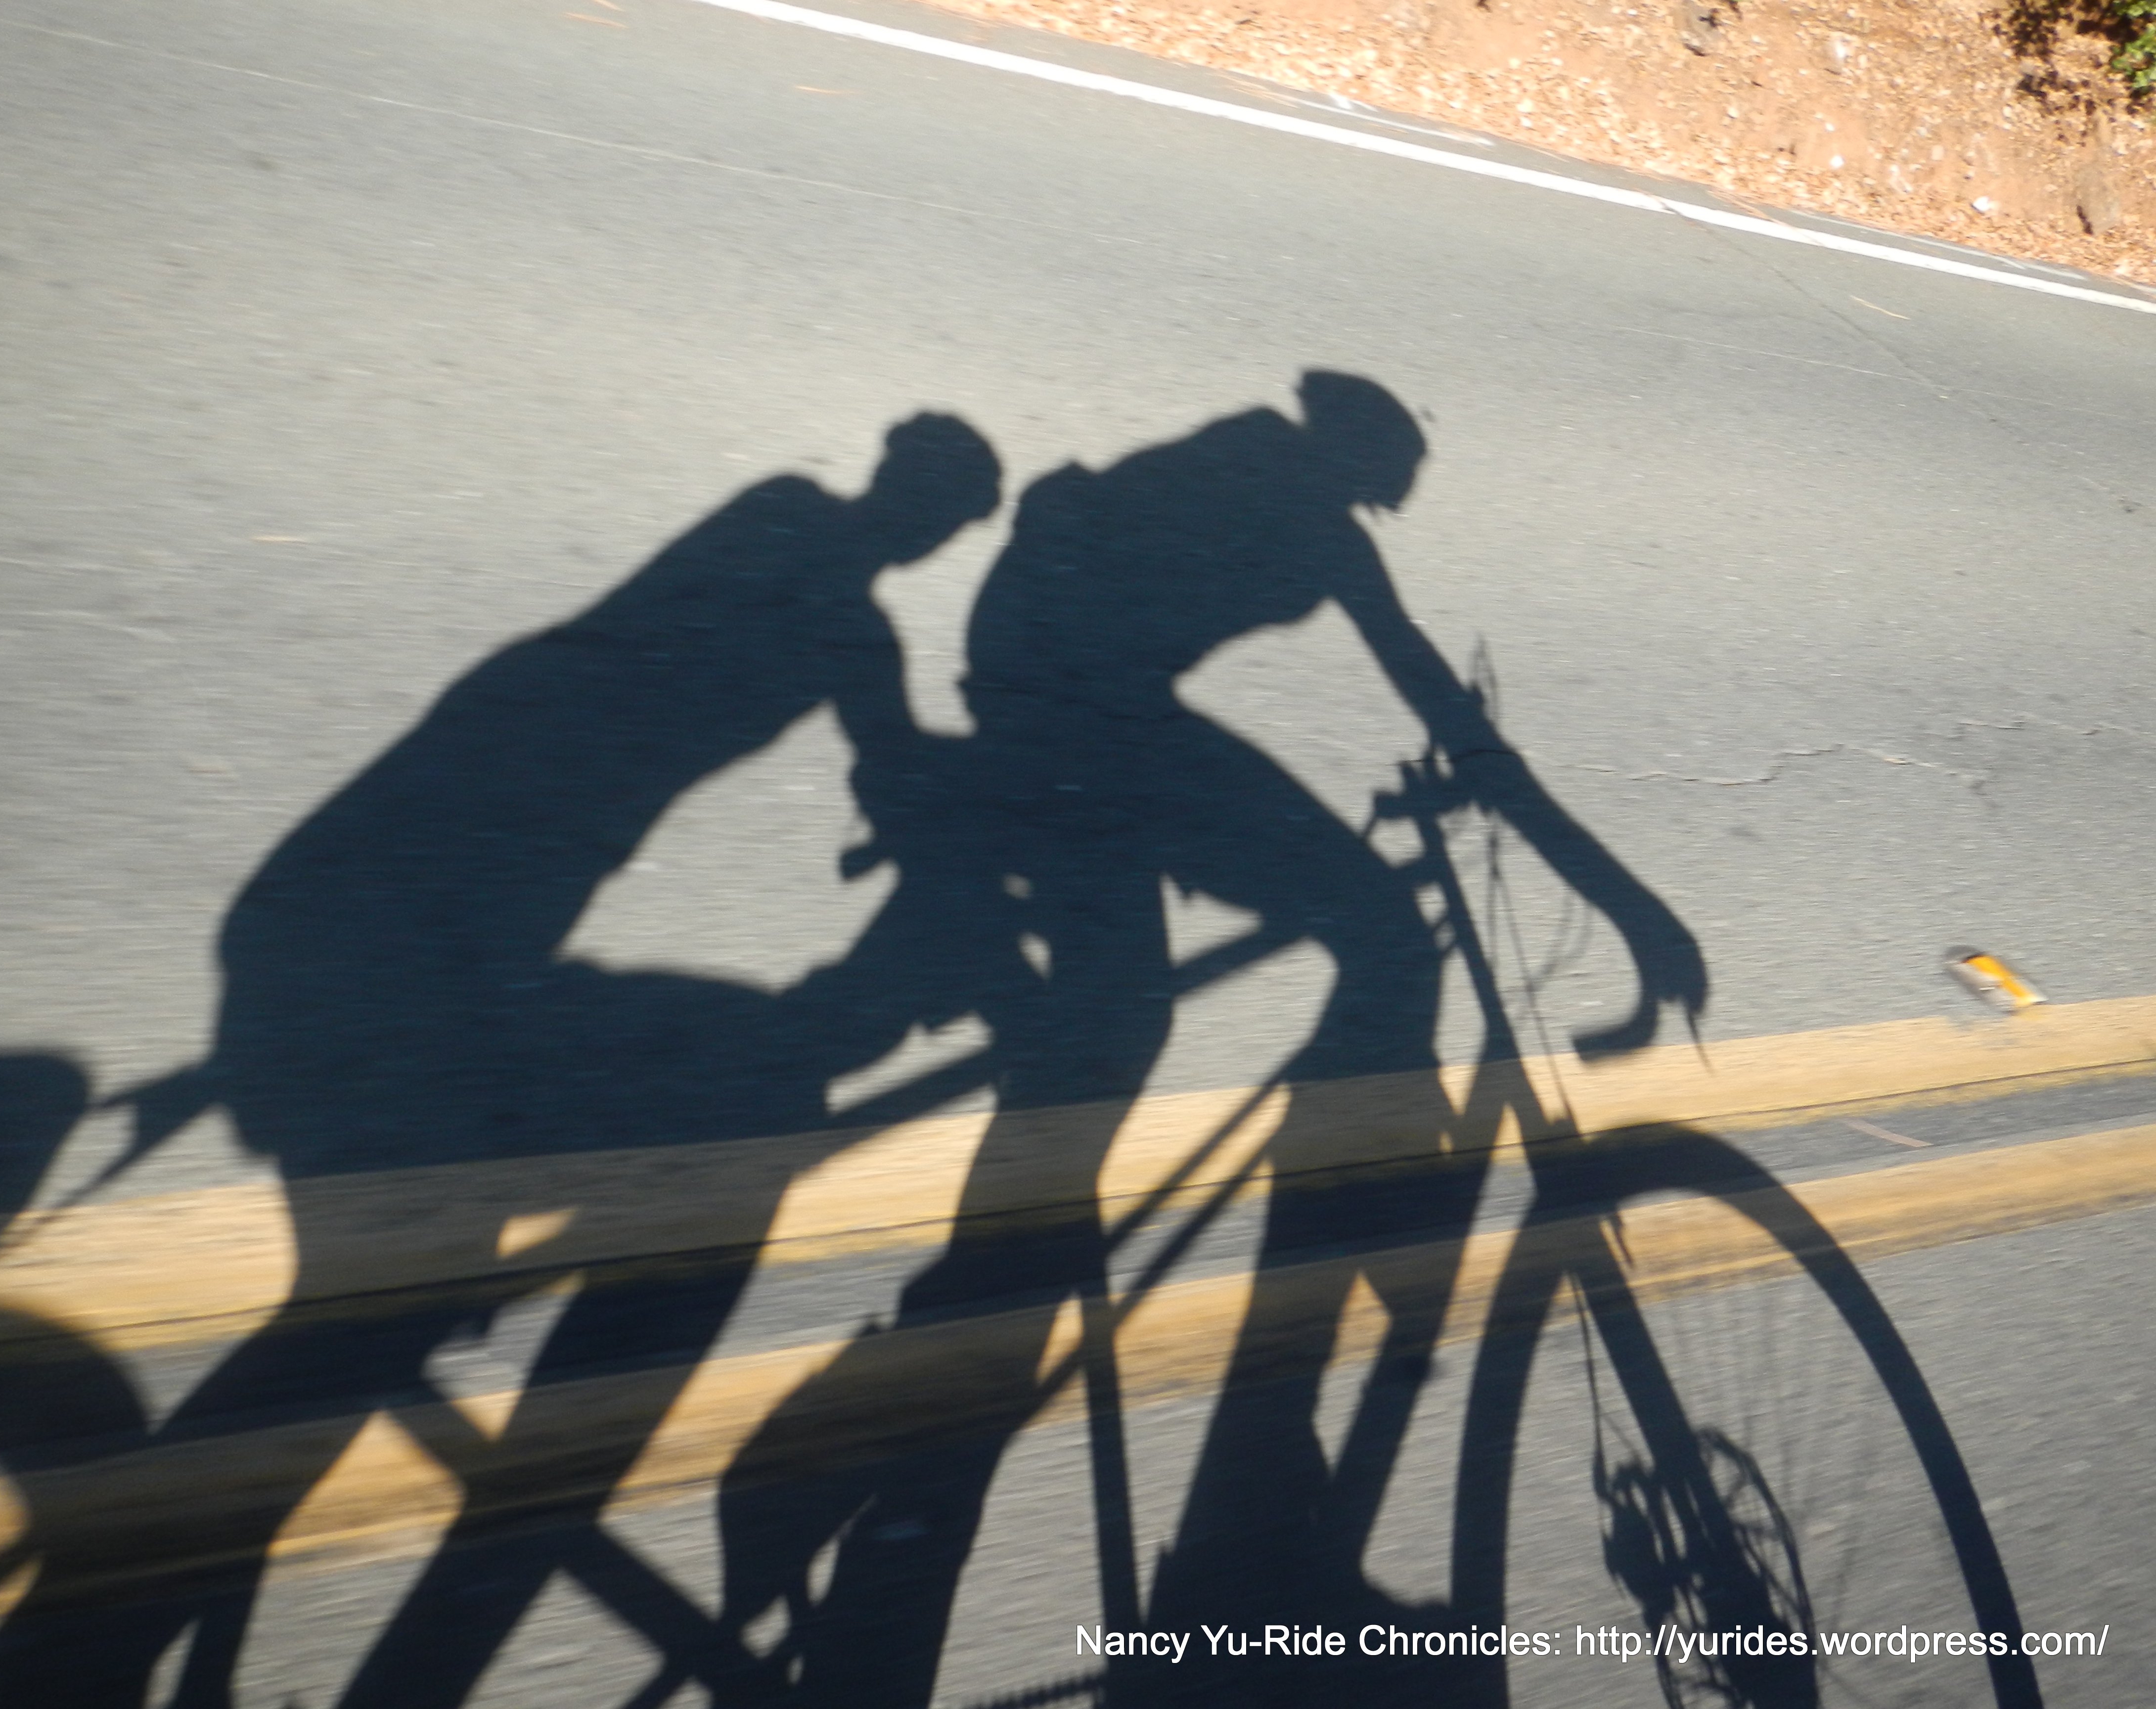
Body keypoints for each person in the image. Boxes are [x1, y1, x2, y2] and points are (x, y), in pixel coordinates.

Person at [0, 416, 1001, 1709]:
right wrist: (1011, 831)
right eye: (933, 504)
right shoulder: (810, 564)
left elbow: (884, 752)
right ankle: (150, 1643)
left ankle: (154, 1624)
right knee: (708, 1146)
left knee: (365, 1316)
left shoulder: (808, 564)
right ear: (907, 494)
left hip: (368, 924)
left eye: (940, 513)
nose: (921, 526)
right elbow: (894, 761)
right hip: (405, 955)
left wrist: (950, 794)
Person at [716, 374, 1704, 1706]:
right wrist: (1630, 907)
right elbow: (1439, 702)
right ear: (1351, 460)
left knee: (1124, 1029)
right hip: (1086, 717)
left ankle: (962, 1361)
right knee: (1365, 949)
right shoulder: (1290, 499)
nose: (1379, 507)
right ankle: (1255, 1331)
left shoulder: (1264, 473)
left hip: (1062, 694)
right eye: (1382, 483)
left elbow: (1409, 685)